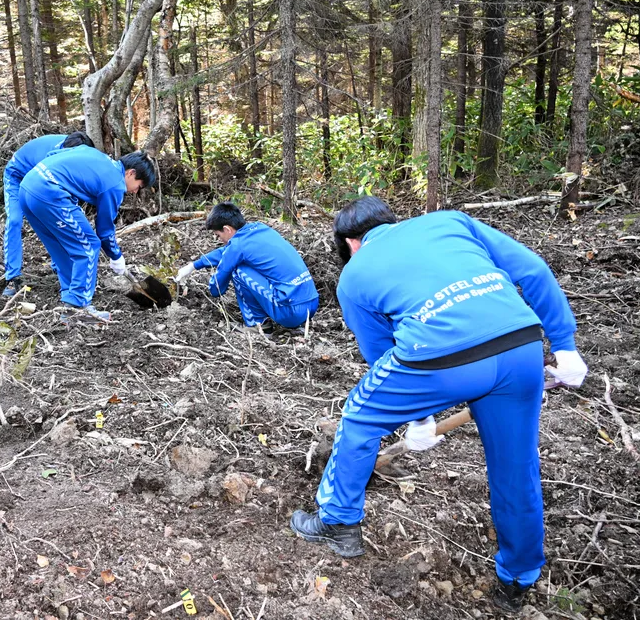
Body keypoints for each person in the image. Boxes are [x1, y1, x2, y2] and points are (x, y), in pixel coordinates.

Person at [289, 197, 588, 613]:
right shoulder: (451, 221)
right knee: (516, 467)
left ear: (351, 243)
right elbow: (533, 269)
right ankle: (518, 578)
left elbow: (382, 355)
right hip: (522, 349)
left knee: (360, 417)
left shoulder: (353, 275)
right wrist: (566, 345)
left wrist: (419, 413)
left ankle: (337, 520)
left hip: (441, 362)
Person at [18, 147, 157, 322]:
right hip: (49, 192)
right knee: (89, 246)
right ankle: (79, 307)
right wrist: (116, 256)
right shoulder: (115, 184)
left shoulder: (97, 156)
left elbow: (52, 155)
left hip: (28, 187)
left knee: (62, 247)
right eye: (139, 185)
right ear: (131, 173)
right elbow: (105, 229)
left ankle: (70, 297)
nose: (135, 191)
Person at [174, 203, 319, 333]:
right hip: (311, 304)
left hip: (290, 312)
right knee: (243, 262)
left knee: (238, 270)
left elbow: (216, 289)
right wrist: (193, 266)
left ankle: (258, 325)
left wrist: (214, 282)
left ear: (227, 229)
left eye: (218, 235)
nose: (218, 239)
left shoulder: (237, 246)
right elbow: (227, 252)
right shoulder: (261, 229)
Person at [1, 132, 95, 298]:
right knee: (15, 221)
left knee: (59, 219)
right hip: (18, 176)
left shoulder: (77, 154)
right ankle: (12, 276)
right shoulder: (52, 156)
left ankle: (59, 264)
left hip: (41, 184)